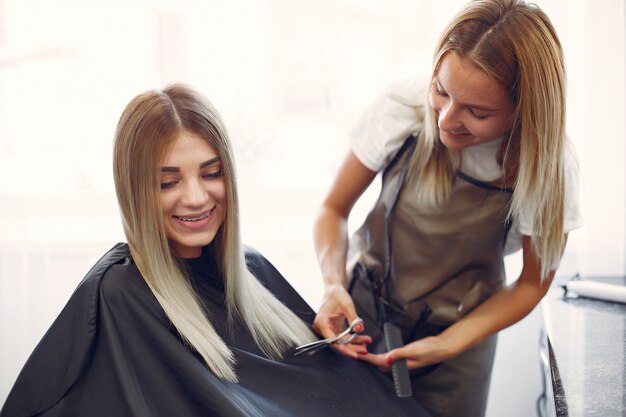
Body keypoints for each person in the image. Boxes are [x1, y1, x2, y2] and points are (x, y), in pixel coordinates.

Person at [1, 84, 431, 417]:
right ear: (134, 191)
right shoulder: (118, 294)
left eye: (211, 173)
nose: (195, 197)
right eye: (167, 182)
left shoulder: (251, 265)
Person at [312, 1, 583, 416]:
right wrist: (332, 285)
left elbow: (532, 283)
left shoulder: (547, 168)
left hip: (455, 353)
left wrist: (449, 343)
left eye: (477, 112)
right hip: (360, 321)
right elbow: (333, 209)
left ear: (522, 112)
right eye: (441, 91)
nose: (446, 121)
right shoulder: (402, 109)